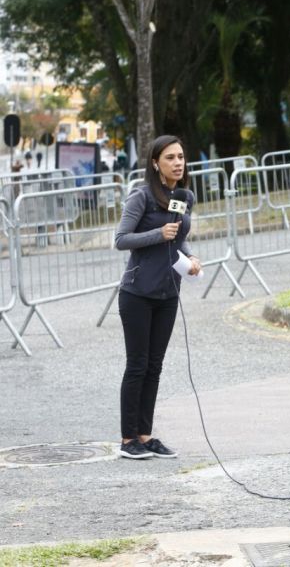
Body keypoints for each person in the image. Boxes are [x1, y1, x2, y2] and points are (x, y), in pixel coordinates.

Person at [114, 135, 201, 460]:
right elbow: (121, 239)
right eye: (170, 158)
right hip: (137, 294)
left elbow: (177, 235)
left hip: (168, 293)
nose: (178, 162)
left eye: (181, 156)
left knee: (155, 365)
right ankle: (127, 439)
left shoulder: (182, 196)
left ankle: (146, 435)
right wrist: (155, 235)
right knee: (137, 365)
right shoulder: (142, 197)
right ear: (155, 163)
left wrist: (191, 259)